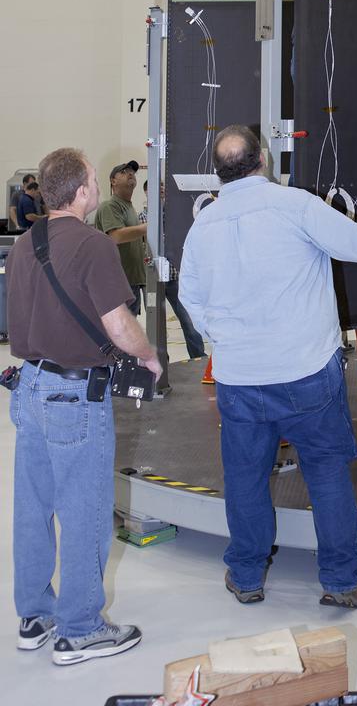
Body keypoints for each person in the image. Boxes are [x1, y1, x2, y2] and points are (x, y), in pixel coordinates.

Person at [179, 124, 357, 610]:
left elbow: (189, 297)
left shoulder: (203, 227)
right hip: (305, 373)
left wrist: (225, 341)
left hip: (239, 379)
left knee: (245, 480)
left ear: (217, 173)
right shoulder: (295, 205)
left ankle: (246, 576)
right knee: (325, 474)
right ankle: (341, 582)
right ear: (262, 159)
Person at [5, 147, 161, 665]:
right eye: (94, 179)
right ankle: (79, 629)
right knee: (86, 510)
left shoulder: (25, 244)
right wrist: (148, 355)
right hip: (74, 396)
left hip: (29, 387)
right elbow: (118, 325)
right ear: (80, 191)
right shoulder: (93, 244)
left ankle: (35, 616)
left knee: (33, 507)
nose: (97, 186)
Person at [139, 181, 205, 360]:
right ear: (146, 193)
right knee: (156, 326)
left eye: (162, 187)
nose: (161, 189)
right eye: (156, 187)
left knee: (189, 321)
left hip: (174, 276)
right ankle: (162, 363)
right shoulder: (142, 218)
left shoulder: (173, 217)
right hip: (153, 279)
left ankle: (198, 357)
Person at [93, 161, 147, 316]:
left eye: (132, 172)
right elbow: (116, 236)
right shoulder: (110, 206)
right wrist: (147, 227)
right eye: (123, 172)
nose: (130, 173)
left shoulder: (129, 207)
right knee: (120, 328)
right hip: (118, 283)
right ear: (113, 181)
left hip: (132, 280)